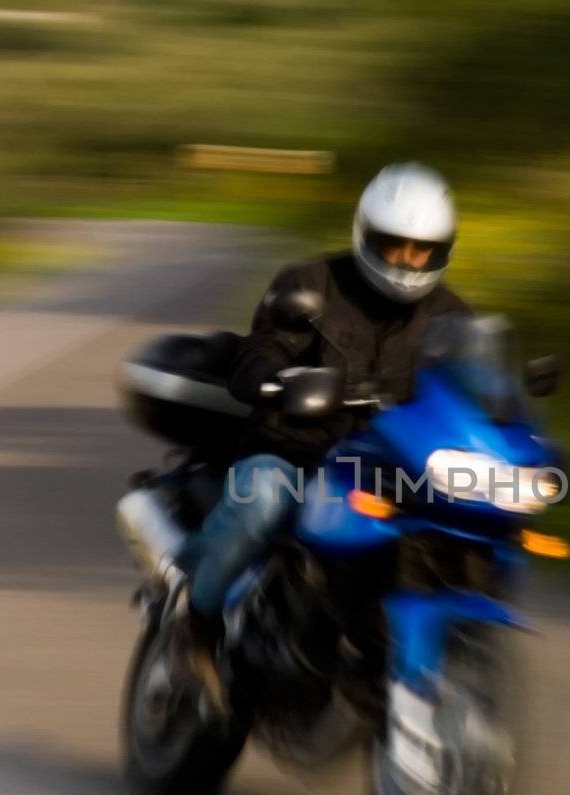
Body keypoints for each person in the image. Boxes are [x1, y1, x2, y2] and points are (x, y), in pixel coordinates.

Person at [170, 163, 470, 708]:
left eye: (421, 250)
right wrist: (274, 379)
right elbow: (260, 351)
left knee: (454, 525)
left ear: (441, 250)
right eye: (394, 246)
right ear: (366, 235)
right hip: (295, 451)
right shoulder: (310, 284)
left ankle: (391, 652)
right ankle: (198, 623)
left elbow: (474, 384)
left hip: (390, 466)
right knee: (259, 501)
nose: (407, 261)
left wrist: (506, 408)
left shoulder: (451, 315)